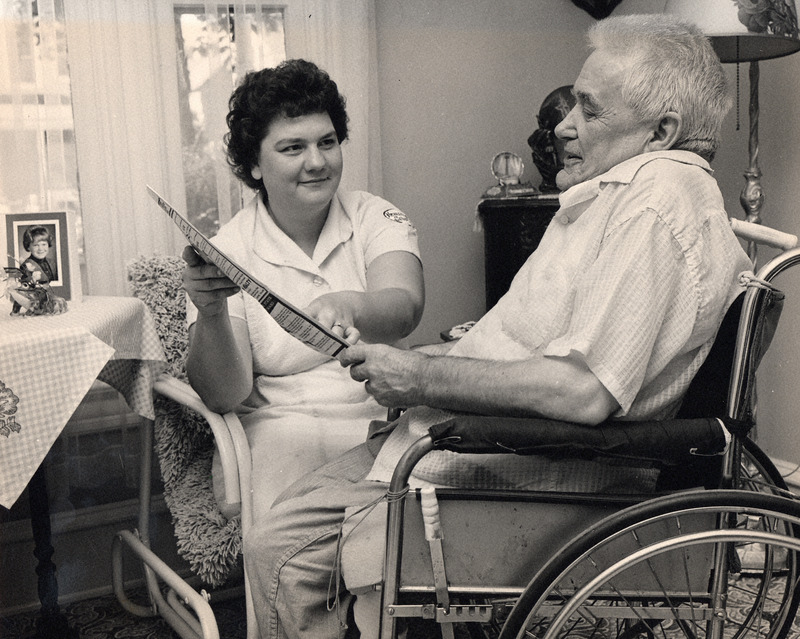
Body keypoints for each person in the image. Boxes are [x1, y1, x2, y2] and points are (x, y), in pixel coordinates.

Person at [244, 14, 754, 639]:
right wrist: (436, 361)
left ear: (662, 131)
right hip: (464, 435)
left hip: (506, 457)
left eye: (589, 112)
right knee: (287, 529)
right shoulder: (625, 195)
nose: (565, 125)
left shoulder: (656, 202)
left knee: (279, 553)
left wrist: (420, 375)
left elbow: (583, 391)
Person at [182, 59, 424, 520]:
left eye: (327, 143)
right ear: (254, 164)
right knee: (303, 553)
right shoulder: (226, 249)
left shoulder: (375, 216)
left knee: (405, 547)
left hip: (385, 414)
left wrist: (348, 305)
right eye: (293, 148)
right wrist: (211, 313)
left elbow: (406, 306)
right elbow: (223, 395)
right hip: (283, 432)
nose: (317, 162)